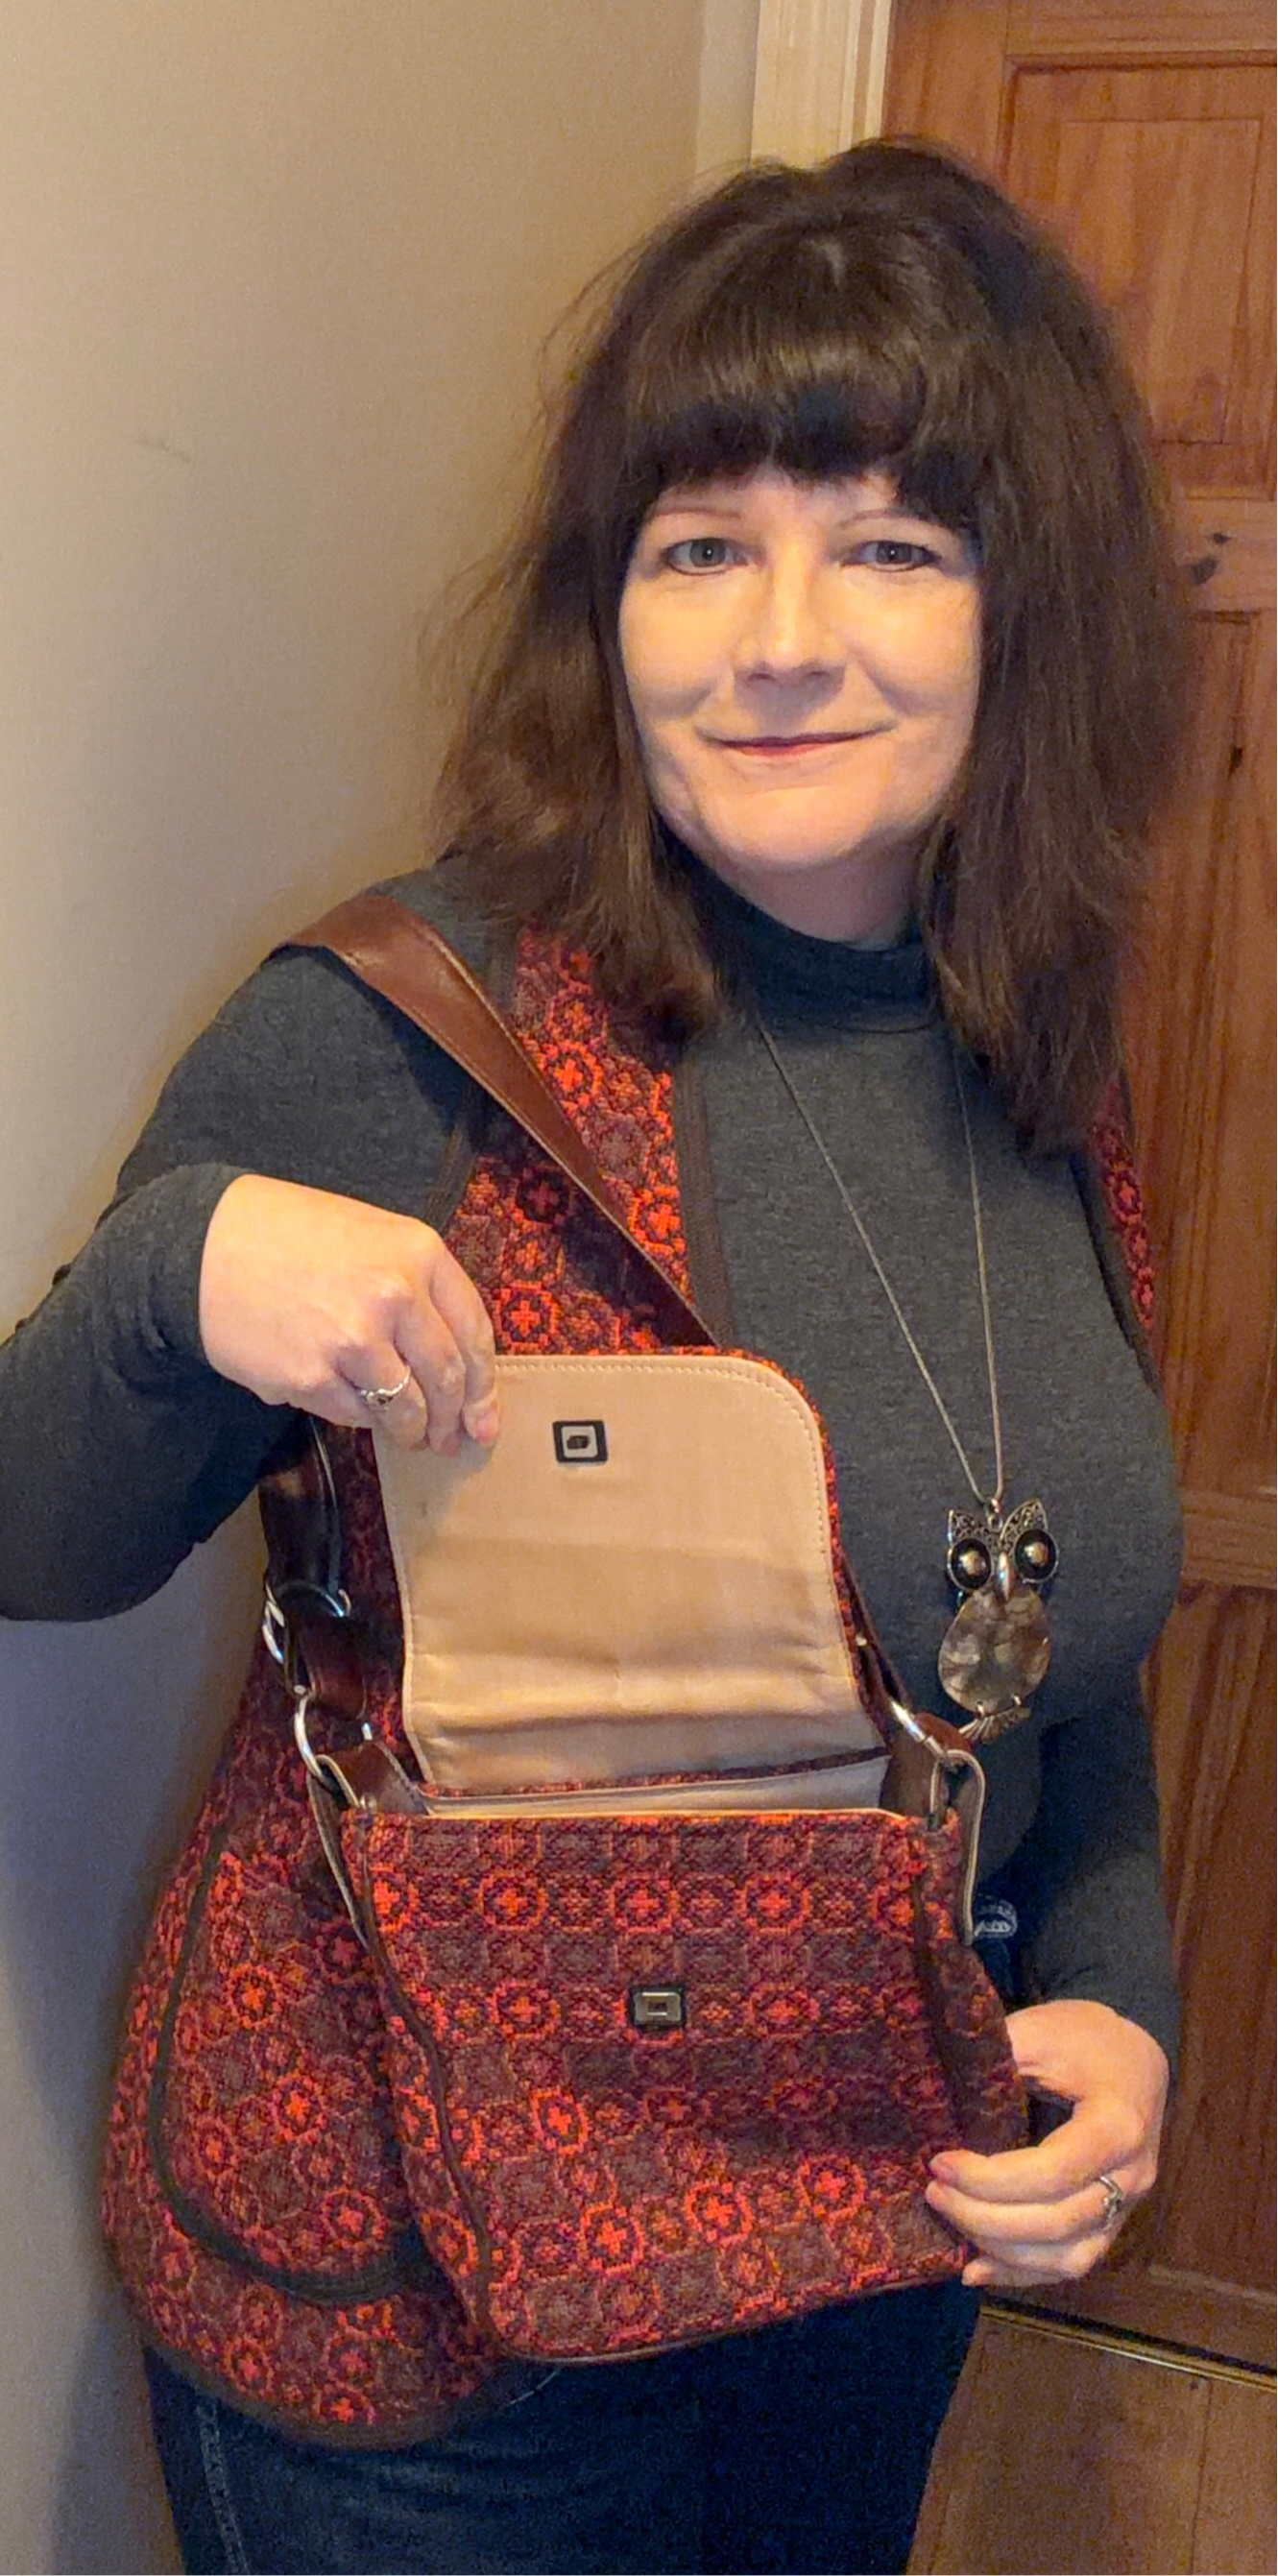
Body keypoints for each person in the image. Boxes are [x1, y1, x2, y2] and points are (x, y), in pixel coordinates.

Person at [0, 139, 1188, 2576]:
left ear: (1023, 615)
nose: (775, 638)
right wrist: (176, 1273)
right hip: (423, 2333)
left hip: (864, 2237)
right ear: (604, 609)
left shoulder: (1034, 1061)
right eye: (695, 545)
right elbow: (34, 1540)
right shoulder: (397, 1037)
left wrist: (1112, 1992)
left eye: (887, 546)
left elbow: (1041, 1659)